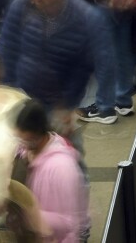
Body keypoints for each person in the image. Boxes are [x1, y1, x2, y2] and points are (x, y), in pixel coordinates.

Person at [0, 0, 103, 129]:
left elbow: (82, 68)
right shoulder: (21, 4)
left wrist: (66, 106)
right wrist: (10, 93)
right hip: (21, 98)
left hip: (56, 107)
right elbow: (7, 50)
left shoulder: (83, 18)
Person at [14, 99, 88, 243]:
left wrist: (31, 215)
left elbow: (71, 223)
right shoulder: (29, 149)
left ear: (36, 133)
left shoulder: (63, 168)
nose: (21, 143)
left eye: (24, 138)